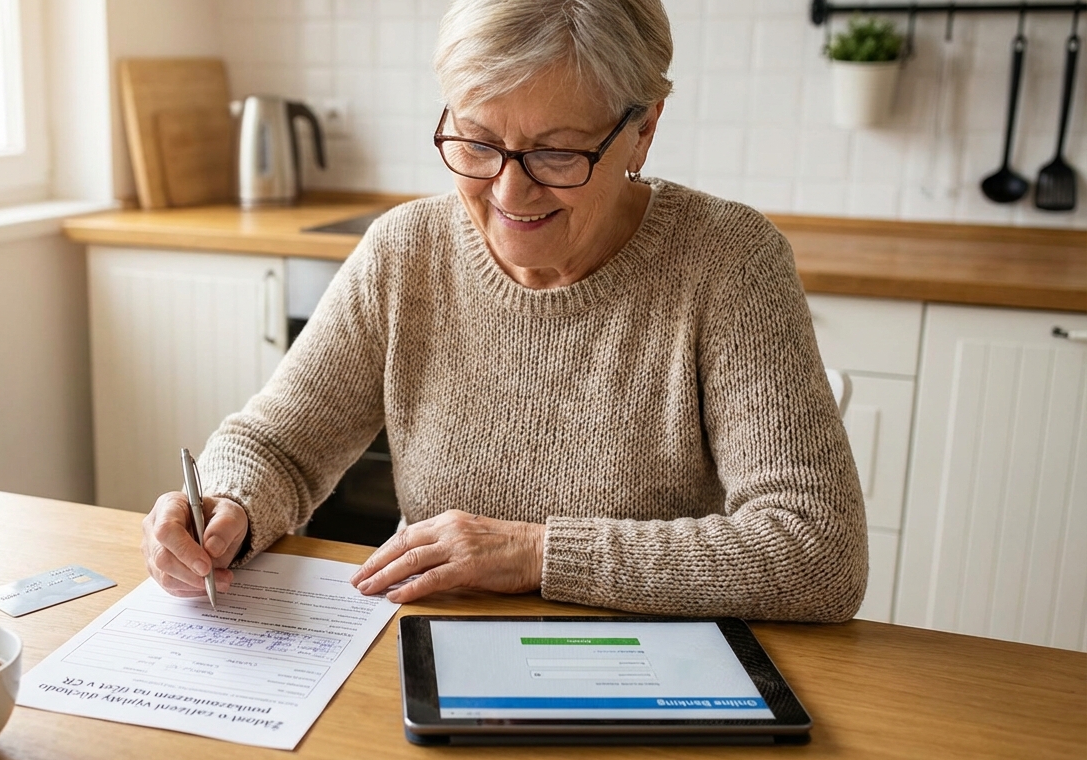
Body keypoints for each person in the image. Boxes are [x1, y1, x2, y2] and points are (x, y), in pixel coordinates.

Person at [141, 0, 868, 622]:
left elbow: (817, 549)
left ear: (643, 130)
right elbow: (280, 446)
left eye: (557, 154)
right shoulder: (406, 251)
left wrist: (532, 553)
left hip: (650, 679)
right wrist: (225, 504)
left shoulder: (730, 261)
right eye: (478, 143)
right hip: (426, 658)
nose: (509, 196)